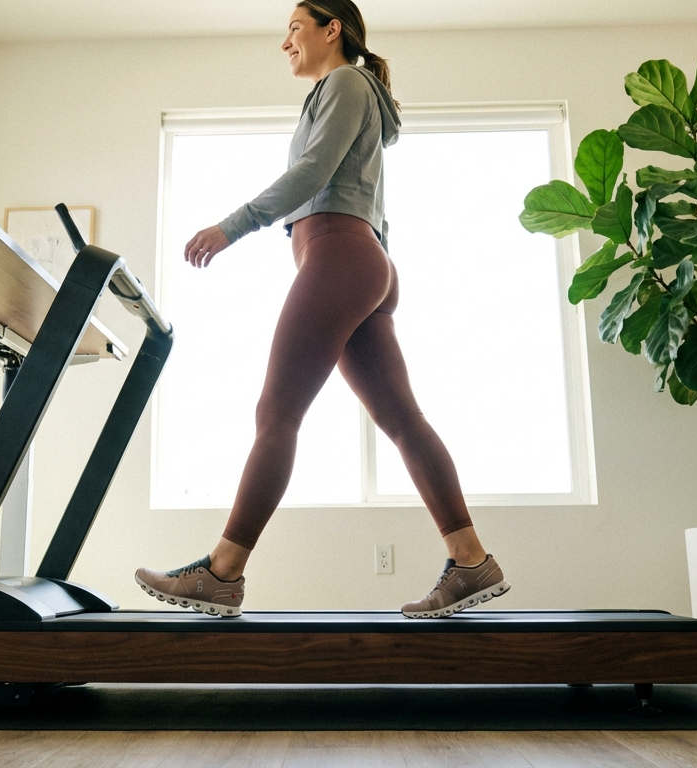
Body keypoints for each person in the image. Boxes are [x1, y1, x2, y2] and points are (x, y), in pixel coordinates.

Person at [135, 0, 509, 619]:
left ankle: (222, 574)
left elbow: (314, 170)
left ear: (331, 29)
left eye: (294, 28)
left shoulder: (343, 81)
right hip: (358, 261)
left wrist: (232, 227)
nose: (284, 42)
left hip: (340, 256)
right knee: (403, 419)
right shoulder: (355, 91)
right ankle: (471, 562)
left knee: (276, 411)